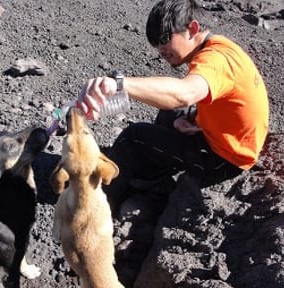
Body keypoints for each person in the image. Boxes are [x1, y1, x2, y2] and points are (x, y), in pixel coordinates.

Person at [76, 0, 269, 214]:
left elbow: (185, 93)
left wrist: (120, 84)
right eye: (157, 44)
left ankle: (93, 207)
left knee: (133, 136)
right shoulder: (217, 46)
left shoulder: (216, 60)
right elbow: (225, 102)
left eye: (165, 40)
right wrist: (195, 119)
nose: (161, 50)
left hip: (225, 159)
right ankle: (151, 175)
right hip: (225, 137)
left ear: (192, 29)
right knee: (170, 113)